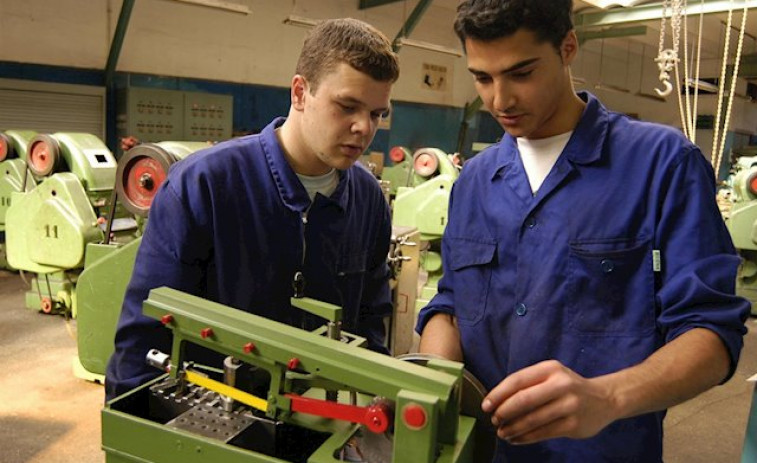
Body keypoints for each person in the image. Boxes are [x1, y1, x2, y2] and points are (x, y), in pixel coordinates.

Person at [416, 1, 749, 462]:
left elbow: (710, 332)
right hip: (482, 452)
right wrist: (427, 378)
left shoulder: (661, 165)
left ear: (568, 47)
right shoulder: (474, 181)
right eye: (483, 78)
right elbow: (450, 303)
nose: (499, 100)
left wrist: (608, 397)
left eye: (521, 73)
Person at [106, 18, 399, 399]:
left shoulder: (368, 199)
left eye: (377, 114)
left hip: (326, 421)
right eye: (347, 106)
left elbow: (372, 321)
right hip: (213, 416)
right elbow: (145, 335)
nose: (364, 127)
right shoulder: (204, 185)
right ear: (299, 92)